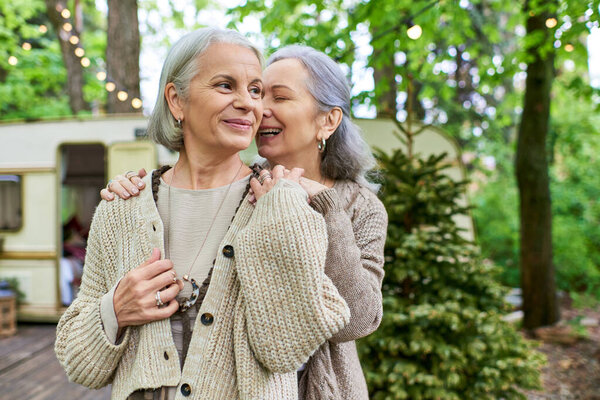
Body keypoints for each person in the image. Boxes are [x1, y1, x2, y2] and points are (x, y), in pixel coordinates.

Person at [55, 28, 351, 400]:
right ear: (177, 100)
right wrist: (114, 309)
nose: (249, 103)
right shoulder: (122, 209)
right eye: (226, 86)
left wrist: (280, 223)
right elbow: (78, 363)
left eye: (255, 90)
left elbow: (286, 349)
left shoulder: (283, 206)